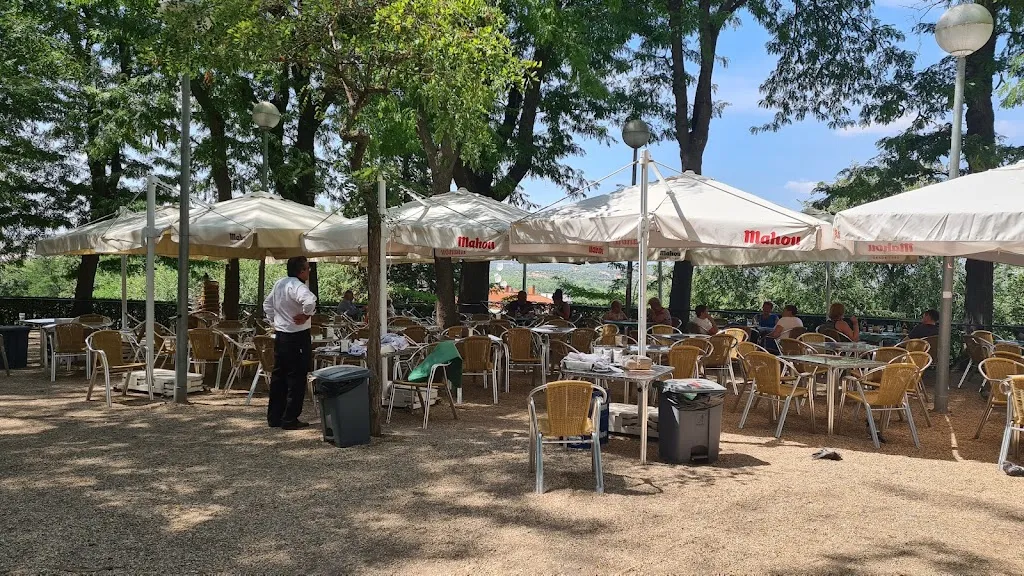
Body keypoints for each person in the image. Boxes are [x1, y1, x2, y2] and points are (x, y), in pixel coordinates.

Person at [263, 256, 318, 430]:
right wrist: (306, 315)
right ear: (301, 271)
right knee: (296, 377)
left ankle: (274, 417)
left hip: (281, 335)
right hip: (297, 335)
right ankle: (290, 418)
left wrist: (276, 320)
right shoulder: (298, 286)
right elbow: (310, 301)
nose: (309, 271)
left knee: (279, 376)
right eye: (307, 268)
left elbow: (267, 304)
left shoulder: (280, 283)